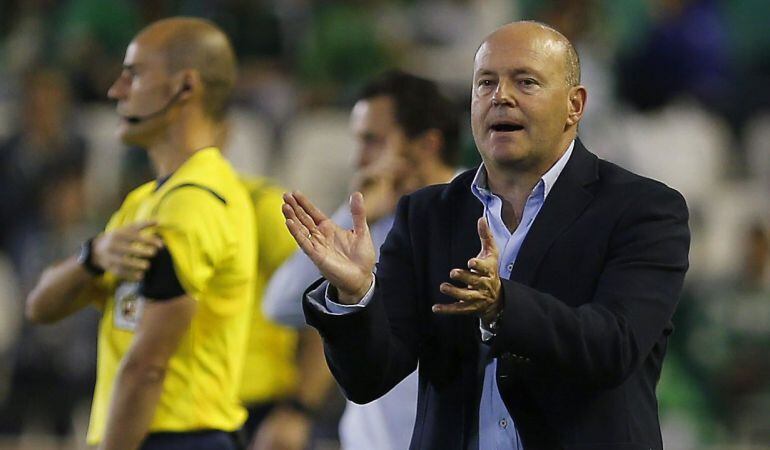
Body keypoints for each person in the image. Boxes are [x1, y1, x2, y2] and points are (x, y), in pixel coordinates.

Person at [283, 21, 690, 450]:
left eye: (526, 82)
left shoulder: (643, 209)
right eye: (486, 83)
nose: (502, 96)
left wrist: (502, 306)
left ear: (575, 105)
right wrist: (356, 296)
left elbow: (615, 346)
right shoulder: (426, 214)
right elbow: (368, 378)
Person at [25, 17, 254, 450]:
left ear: (185, 87)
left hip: (178, 438)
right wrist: (93, 255)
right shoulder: (145, 202)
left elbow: (147, 367)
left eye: (133, 73)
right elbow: (41, 307)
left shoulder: (197, 202)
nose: (116, 90)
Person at [258, 70, 461, 450]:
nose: (358, 157)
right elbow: (279, 306)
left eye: (372, 140)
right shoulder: (373, 222)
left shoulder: (482, 214)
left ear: (427, 145)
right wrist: (352, 216)